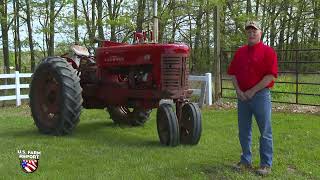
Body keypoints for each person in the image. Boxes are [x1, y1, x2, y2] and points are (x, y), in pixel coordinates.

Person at [227, 21, 278, 176]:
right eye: (248, 31)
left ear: (260, 33)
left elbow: (270, 76)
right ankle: (245, 160)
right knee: (244, 130)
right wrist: (239, 92)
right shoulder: (240, 52)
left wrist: (252, 90)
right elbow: (233, 73)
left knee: (265, 131)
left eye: (254, 31)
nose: (251, 34)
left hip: (261, 96)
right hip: (242, 97)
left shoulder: (268, 52)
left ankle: (265, 164)